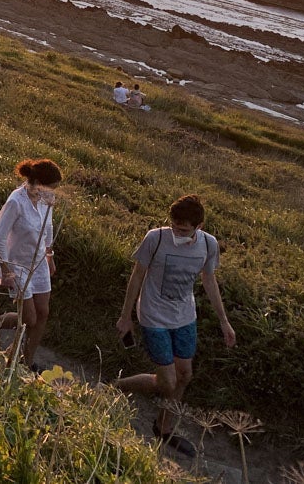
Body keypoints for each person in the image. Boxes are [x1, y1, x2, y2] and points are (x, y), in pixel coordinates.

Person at [114, 195, 236, 458]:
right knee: (167, 382)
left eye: (184, 229)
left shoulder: (208, 245)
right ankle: (118, 386)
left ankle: (164, 427)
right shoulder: (155, 238)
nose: (178, 232)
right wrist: (126, 317)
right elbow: (137, 276)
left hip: (184, 316)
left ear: (198, 226)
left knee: (184, 376)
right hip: (153, 314)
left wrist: (224, 322)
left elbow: (209, 281)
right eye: (175, 227)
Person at [0, 159, 61, 371]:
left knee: (42, 313)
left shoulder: (46, 198)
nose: (51, 193)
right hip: (16, 265)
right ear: (35, 181)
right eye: (49, 187)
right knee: (29, 318)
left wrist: (50, 256)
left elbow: (48, 227)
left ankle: (26, 361)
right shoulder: (15, 202)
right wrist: (5, 271)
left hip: (39, 262)